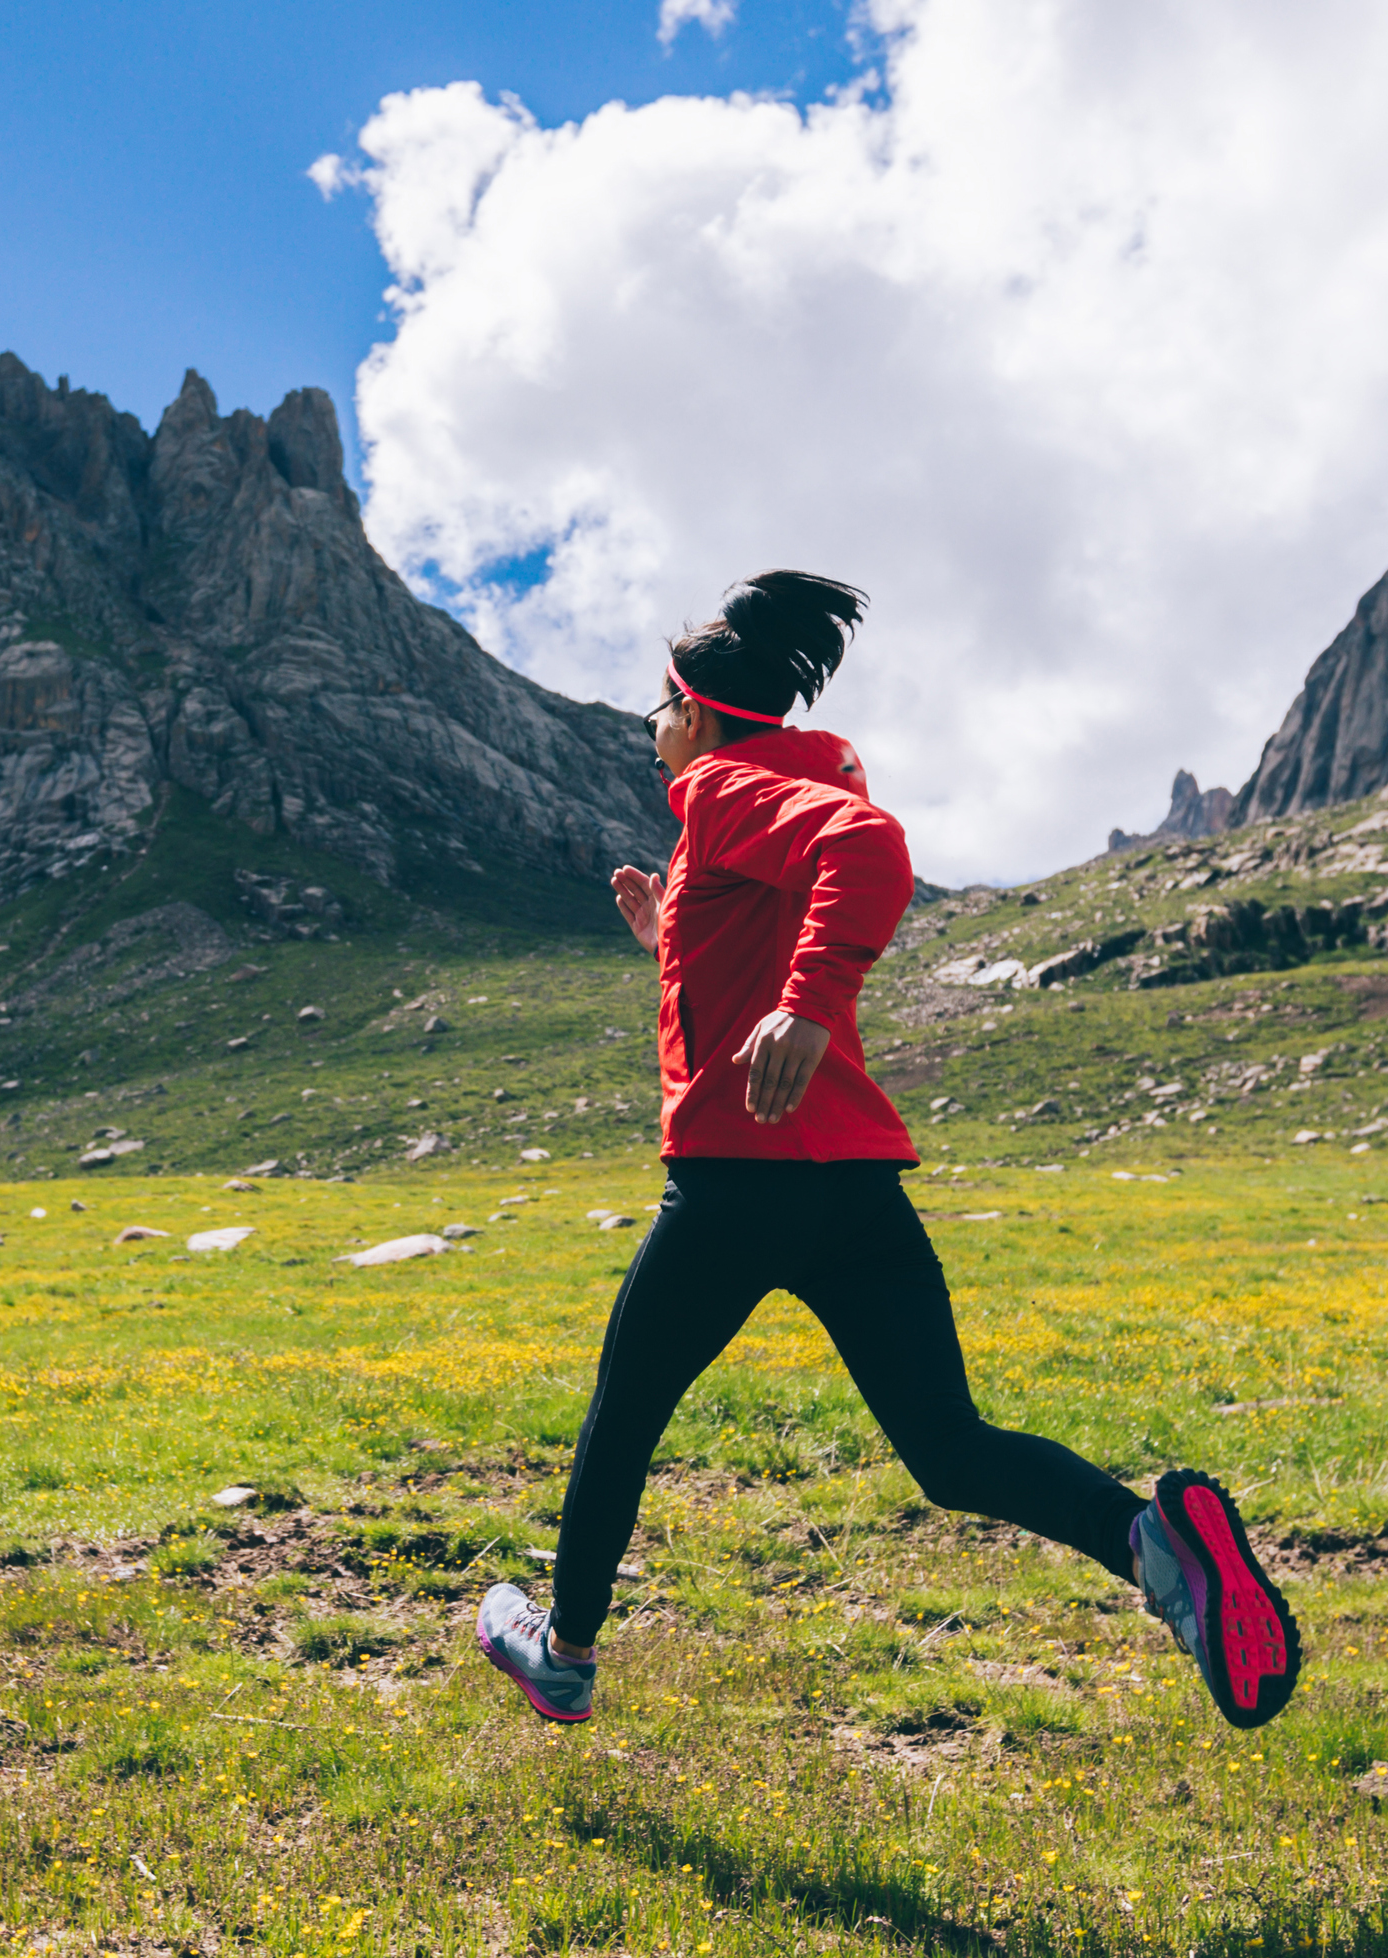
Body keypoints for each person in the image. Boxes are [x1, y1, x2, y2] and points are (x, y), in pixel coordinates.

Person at [476, 571, 1301, 1732]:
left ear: (698, 714)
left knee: (624, 1421)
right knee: (951, 1451)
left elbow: (868, 851)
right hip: (853, 1190)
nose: (653, 742)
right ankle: (1155, 1547)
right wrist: (674, 939)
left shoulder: (717, 786)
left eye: (655, 717)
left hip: (732, 1191)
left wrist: (808, 1005)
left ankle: (558, 1653)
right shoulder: (775, 789)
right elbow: (777, 932)